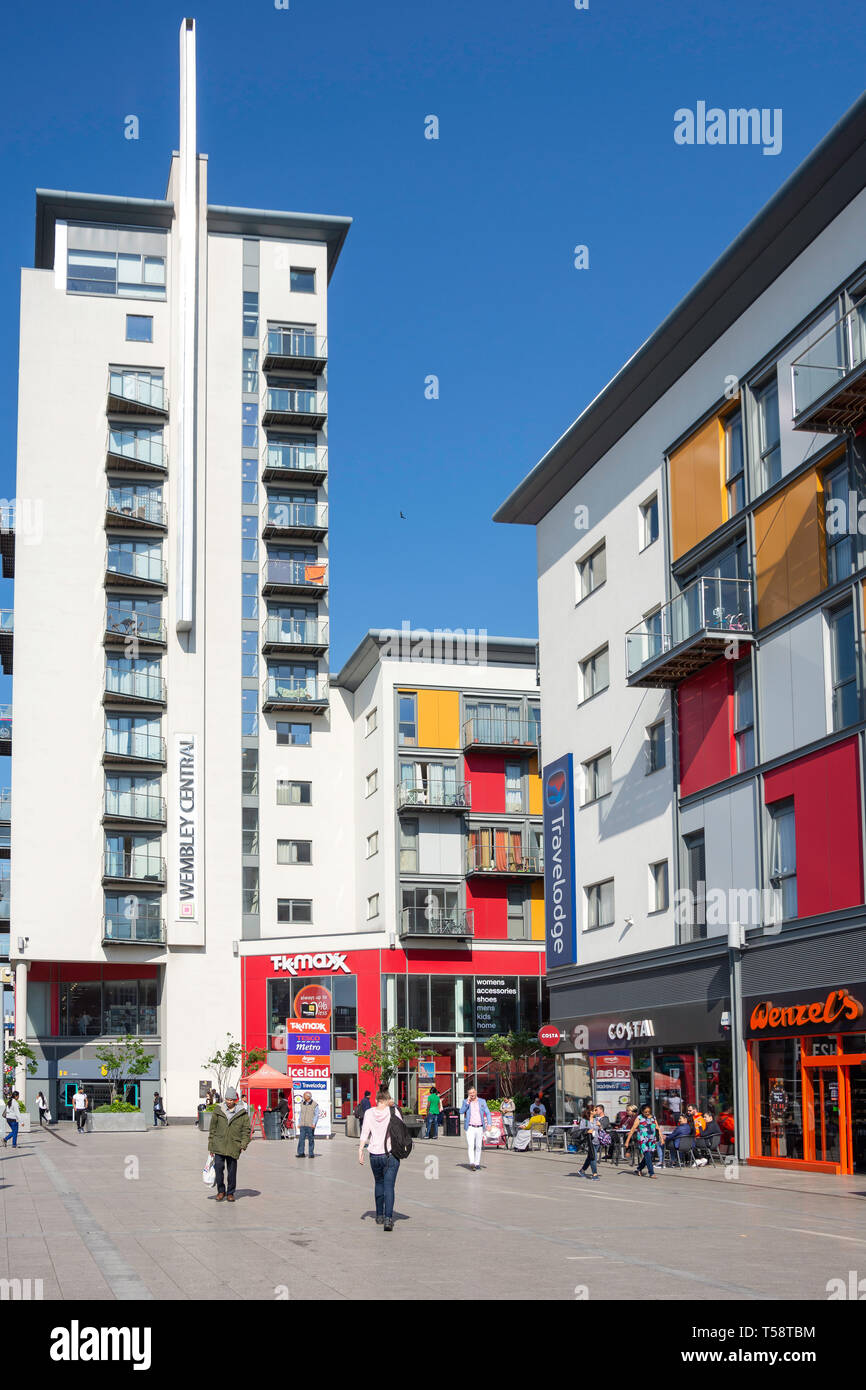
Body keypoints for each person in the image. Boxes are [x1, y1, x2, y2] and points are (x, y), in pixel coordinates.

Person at [358, 1088, 402, 1232]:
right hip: (390, 1154)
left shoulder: (369, 1112)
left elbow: (364, 1132)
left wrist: (360, 1151)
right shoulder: (393, 1111)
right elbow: (401, 1128)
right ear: (388, 1099)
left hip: (374, 1155)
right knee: (389, 1186)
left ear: (377, 1099)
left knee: (379, 1183)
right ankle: (388, 1219)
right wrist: (393, 1106)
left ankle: (379, 1215)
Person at [207, 1086, 251, 1202]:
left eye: (231, 1100)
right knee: (218, 1169)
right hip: (219, 1145)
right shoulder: (218, 1110)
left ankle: (231, 1193)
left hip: (233, 1145)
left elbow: (246, 1130)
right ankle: (221, 1191)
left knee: (232, 1172)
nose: (229, 1102)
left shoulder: (242, 1113)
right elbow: (213, 1128)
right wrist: (211, 1145)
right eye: (227, 1099)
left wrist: (243, 1144)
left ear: (235, 1100)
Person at [460, 1087, 492, 1170]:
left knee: (478, 1146)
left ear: (476, 1092)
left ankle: (477, 1163)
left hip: (480, 1127)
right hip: (470, 1127)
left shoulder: (482, 1101)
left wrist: (489, 1124)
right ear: (468, 1094)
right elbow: (461, 1111)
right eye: (470, 1093)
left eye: (473, 1092)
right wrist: (467, 1103)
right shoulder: (465, 1101)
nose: (472, 1094)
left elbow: (488, 1113)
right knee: (471, 1145)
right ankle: (472, 1163)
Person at [626, 1104, 660, 1178]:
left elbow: (657, 1128)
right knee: (647, 1155)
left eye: (648, 1112)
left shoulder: (653, 1117)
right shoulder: (639, 1118)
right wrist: (627, 1141)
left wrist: (662, 1138)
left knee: (649, 1156)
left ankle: (639, 1169)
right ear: (642, 1111)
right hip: (643, 1140)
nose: (647, 1113)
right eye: (645, 1112)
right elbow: (632, 1129)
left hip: (652, 1140)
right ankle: (651, 1173)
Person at [296, 1090, 320, 1158]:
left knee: (311, 1139)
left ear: (308, 1097)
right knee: (301, 1139)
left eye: (304, 1096)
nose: (303, 1097)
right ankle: (301, 1153)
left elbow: (316, 1115)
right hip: (303, 1124)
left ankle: (311, 1153)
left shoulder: (315, 1104)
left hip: (310, 1125)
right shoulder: (302, 1103)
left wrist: (314, 1124)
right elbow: (301, 1114)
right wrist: (299, 1123)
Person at [579, 1106, 601, 1180]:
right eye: (594, 1110)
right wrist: (587, 1131)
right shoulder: (584, 1121)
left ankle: (582, 1170)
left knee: (590, 1157)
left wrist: (600, 1125)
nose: (596, 1111)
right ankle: (595, 1174)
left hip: (596, 1140)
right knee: (593, 1157)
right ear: (590, 1111)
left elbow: (600, 1129)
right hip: (589, 1142)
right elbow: (581, 1130)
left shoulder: (596, 1119)